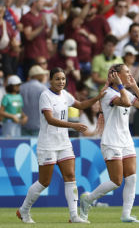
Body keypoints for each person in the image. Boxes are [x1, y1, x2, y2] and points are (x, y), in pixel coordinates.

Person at [16, 67, 105, 224]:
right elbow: (50, 119)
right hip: (48, 143)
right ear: (50, 80)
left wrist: (98, 97)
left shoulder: (66, 95)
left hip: (64, 143)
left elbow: (82, 105)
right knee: (44, 182)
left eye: (63, 79)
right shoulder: (45, 95)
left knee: (71, 177)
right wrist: (73, 125)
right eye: (57, 79)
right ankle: (23, 210)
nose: (61, 82)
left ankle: (74, 215)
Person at [80, 63, 139, 223]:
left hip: (126, 141)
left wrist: (135, 86)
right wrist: (120, 84)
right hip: (111, 141)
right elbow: (125, 102)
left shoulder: (124, 91)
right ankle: (88, 199)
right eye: (126, 71)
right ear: (116, 75)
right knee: (116, 181)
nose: (130, 73)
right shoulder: (107, 93)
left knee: (132, 178)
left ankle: (126, 215)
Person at [20, 65, 48, 136]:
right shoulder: (43, 88)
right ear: (38, 75)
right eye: (42, 74)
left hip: (24, 125)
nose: (44, 76)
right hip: (38, 127)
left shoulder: (21, 88)